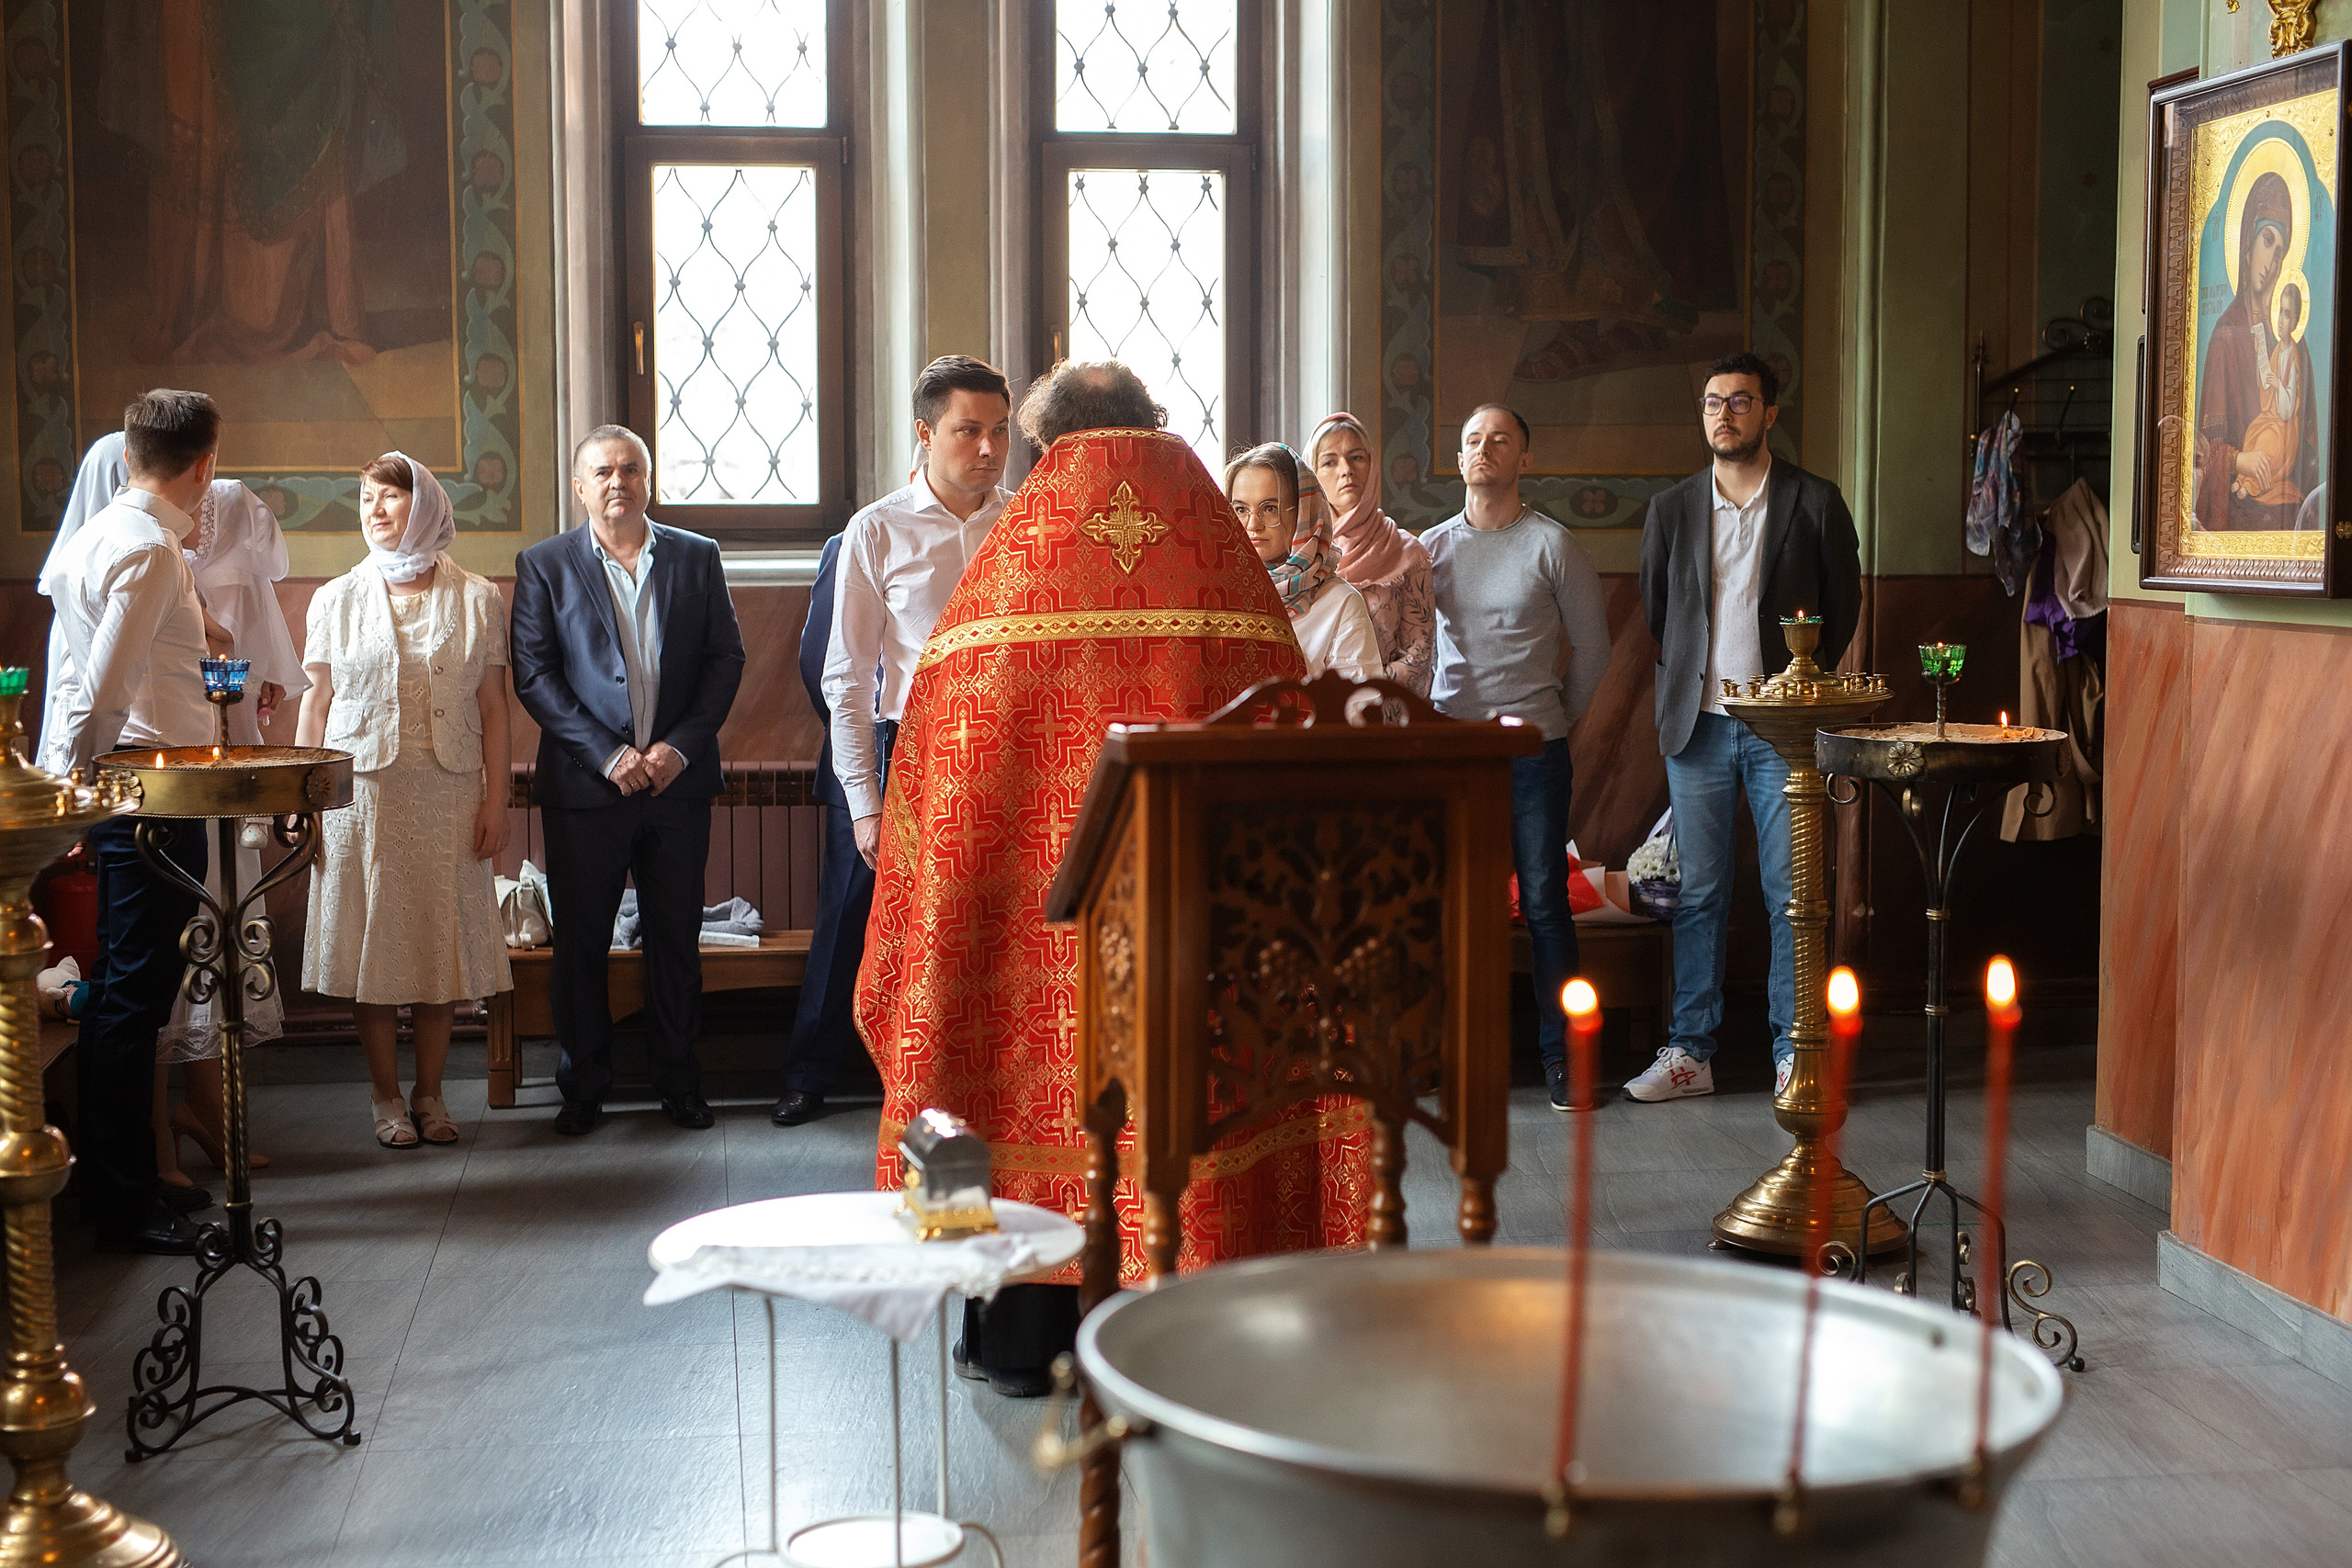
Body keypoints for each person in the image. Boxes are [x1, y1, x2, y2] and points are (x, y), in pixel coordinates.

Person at [856, 360, 1351, 1398]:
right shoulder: (1217, 556)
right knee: (1194, 1084)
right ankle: (1195, 1321)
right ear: (1147, 422)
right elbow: (1289, 731)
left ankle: (1022, 1336)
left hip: (1035, 920)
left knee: (1028, 1088)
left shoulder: (1017, 562)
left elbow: (941, 745)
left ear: (1048, 440)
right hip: (1195, 913)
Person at [775, 356, 1015, 1127]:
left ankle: (969, 1079)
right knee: (853, 910)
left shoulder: (1023, 524)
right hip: (902, 746)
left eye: (1001, 431)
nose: (989, 448)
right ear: (925, 432)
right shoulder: (876, 529)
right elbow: (845, 675)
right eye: (968, 430)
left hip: (1002, 751)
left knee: (983, 915)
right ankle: (809, 1073)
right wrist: (863, 800)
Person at [1635, 350, 1860, 1102]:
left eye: (1740, 401)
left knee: (1792, 894)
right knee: (1699, 893)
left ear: (1770, 413)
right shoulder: (1672, 508)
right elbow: (1659, 610)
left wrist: (1797, 691)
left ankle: (1796, 1051)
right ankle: (1690, 1053)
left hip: (1782, 731)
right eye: (1712, 401)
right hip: (1696, 726)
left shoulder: (1815, 501)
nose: (1724, 414)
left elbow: (1842, 606)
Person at [512, 425, 745, 1135]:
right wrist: (608, 755)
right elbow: (535, 675)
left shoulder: (697, 556)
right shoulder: (543, 565)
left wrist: (678, 748)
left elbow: (725, 660)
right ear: (580, 486)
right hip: (587, 791)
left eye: (630, 469)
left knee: (675, 941)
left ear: (648, 480)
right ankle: (583, 1086)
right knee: (581, 944)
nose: (618, 481)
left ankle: (679, 1082)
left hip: (677, 785)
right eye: (603, 471)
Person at [39, 391, 221, 1254]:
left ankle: (130, 1184)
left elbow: (74, 679)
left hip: (133, 787)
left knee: (130, 990)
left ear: (127, 454)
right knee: (132, 997)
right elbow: (106, 690)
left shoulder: (94, 536)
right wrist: (78, 791)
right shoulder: (148, 547)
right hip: (151, 790)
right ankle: (121, 1202)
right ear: (205, 465)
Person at [296, 454, 512, 1146]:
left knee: (435, 946)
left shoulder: (478, 596)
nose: (376, 509)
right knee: (375, 948)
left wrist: (498, 800)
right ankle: (386, 1096)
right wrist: (304, 799)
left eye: (390, 497)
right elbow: (316, 705)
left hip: (450, 793)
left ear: (425, 507)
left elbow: (495, 706)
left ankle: (431, 1094)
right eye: (367, 498)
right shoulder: (335, 598)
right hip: (362, 798)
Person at [1424, 403, 1611, 1115]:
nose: (1485, 449)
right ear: (1459, 459)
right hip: (1456, 751)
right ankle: (1453, 1054)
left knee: (1543, 902)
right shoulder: (1430, 548)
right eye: (1473, 439)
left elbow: (1593, 649)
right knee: (1452, 904)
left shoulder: (1552, 545)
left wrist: (1555, 717)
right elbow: (1413, 646)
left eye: (1500, 439)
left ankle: (1563, 1058)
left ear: (1524, 459)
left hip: (1535, 748)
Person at [154, 458, 310, 1190]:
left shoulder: (230, 513)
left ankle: (208, 1107)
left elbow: (256, 634)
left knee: (222, 923)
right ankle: (169, 1129)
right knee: (174, 935)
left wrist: (263, 678)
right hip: (166, 758)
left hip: (226, 750)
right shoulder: (145, 550)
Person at [1304, 412, 1436, 694]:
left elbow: (1419, 659)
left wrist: (1355, 692)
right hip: (1315, 708)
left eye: (1356, 457)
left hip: (1387, 711)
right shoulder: (1301, 554)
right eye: (1329, 462)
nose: (1346, 470)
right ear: (1312, 474)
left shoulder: (1408, 552)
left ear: (1373, 464)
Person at [1225, 442, 1381, 681]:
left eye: (1270, 508)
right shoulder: (1218, 593)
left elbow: (1359, 701)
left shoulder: (1340, 602)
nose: (1253, 525)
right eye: (1240, 510)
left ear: (1303, 513)